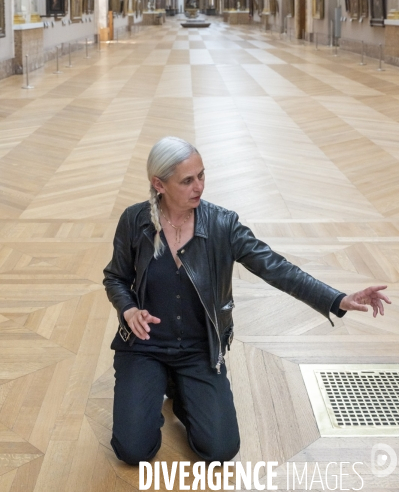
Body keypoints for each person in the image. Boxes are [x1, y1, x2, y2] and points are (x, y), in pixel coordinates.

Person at [103, 136, 390, 466]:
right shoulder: (134, 220)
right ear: (159, 184)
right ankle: (154, 384)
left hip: (199, 349)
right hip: (145, 346)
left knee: (221, 450)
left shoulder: (223, 224)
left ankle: (182, 392)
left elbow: (276, 267)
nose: (199, 186)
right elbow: (116, 277)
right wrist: (128, 308)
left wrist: (337, 298)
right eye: (187, 180)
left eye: (202, 175)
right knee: (133, 450)